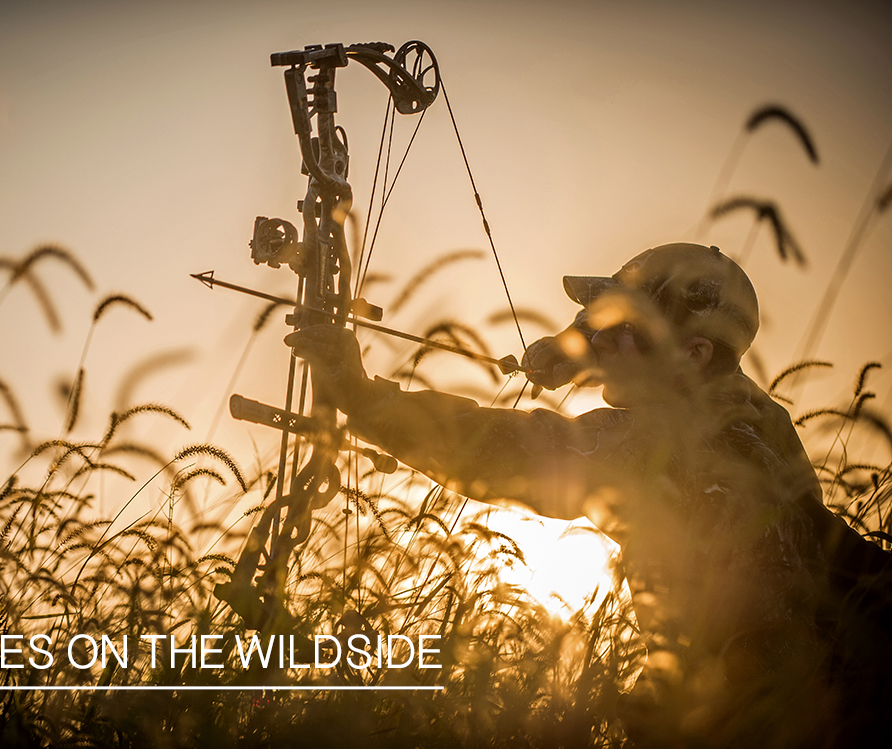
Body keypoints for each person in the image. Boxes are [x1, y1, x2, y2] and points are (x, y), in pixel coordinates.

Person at [285, 243, 890, 747]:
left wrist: (358, 394)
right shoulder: (757, 415)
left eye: (619, 332)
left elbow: (499, 451)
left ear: (692, 354)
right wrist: (569, 346)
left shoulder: (656, 446)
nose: (599, 342)